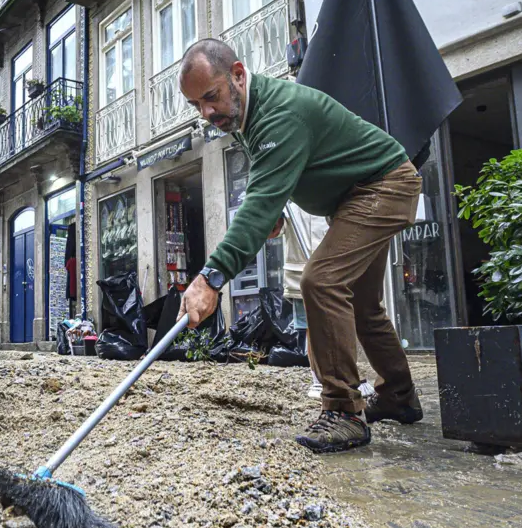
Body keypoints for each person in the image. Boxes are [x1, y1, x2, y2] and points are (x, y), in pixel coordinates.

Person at [177, 39, 423, 453]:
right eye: (195, 106)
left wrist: (211, 277)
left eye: (210, 97)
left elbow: (255, 207)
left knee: (321, 283)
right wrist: (274, 208)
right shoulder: (247, 117)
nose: (206, 113)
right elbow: (270, 183)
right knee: (361, 303)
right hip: (355, 196)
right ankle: (399, 395)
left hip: (384, 185)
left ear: (238, 74)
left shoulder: (278, 113)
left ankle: (344, 411)